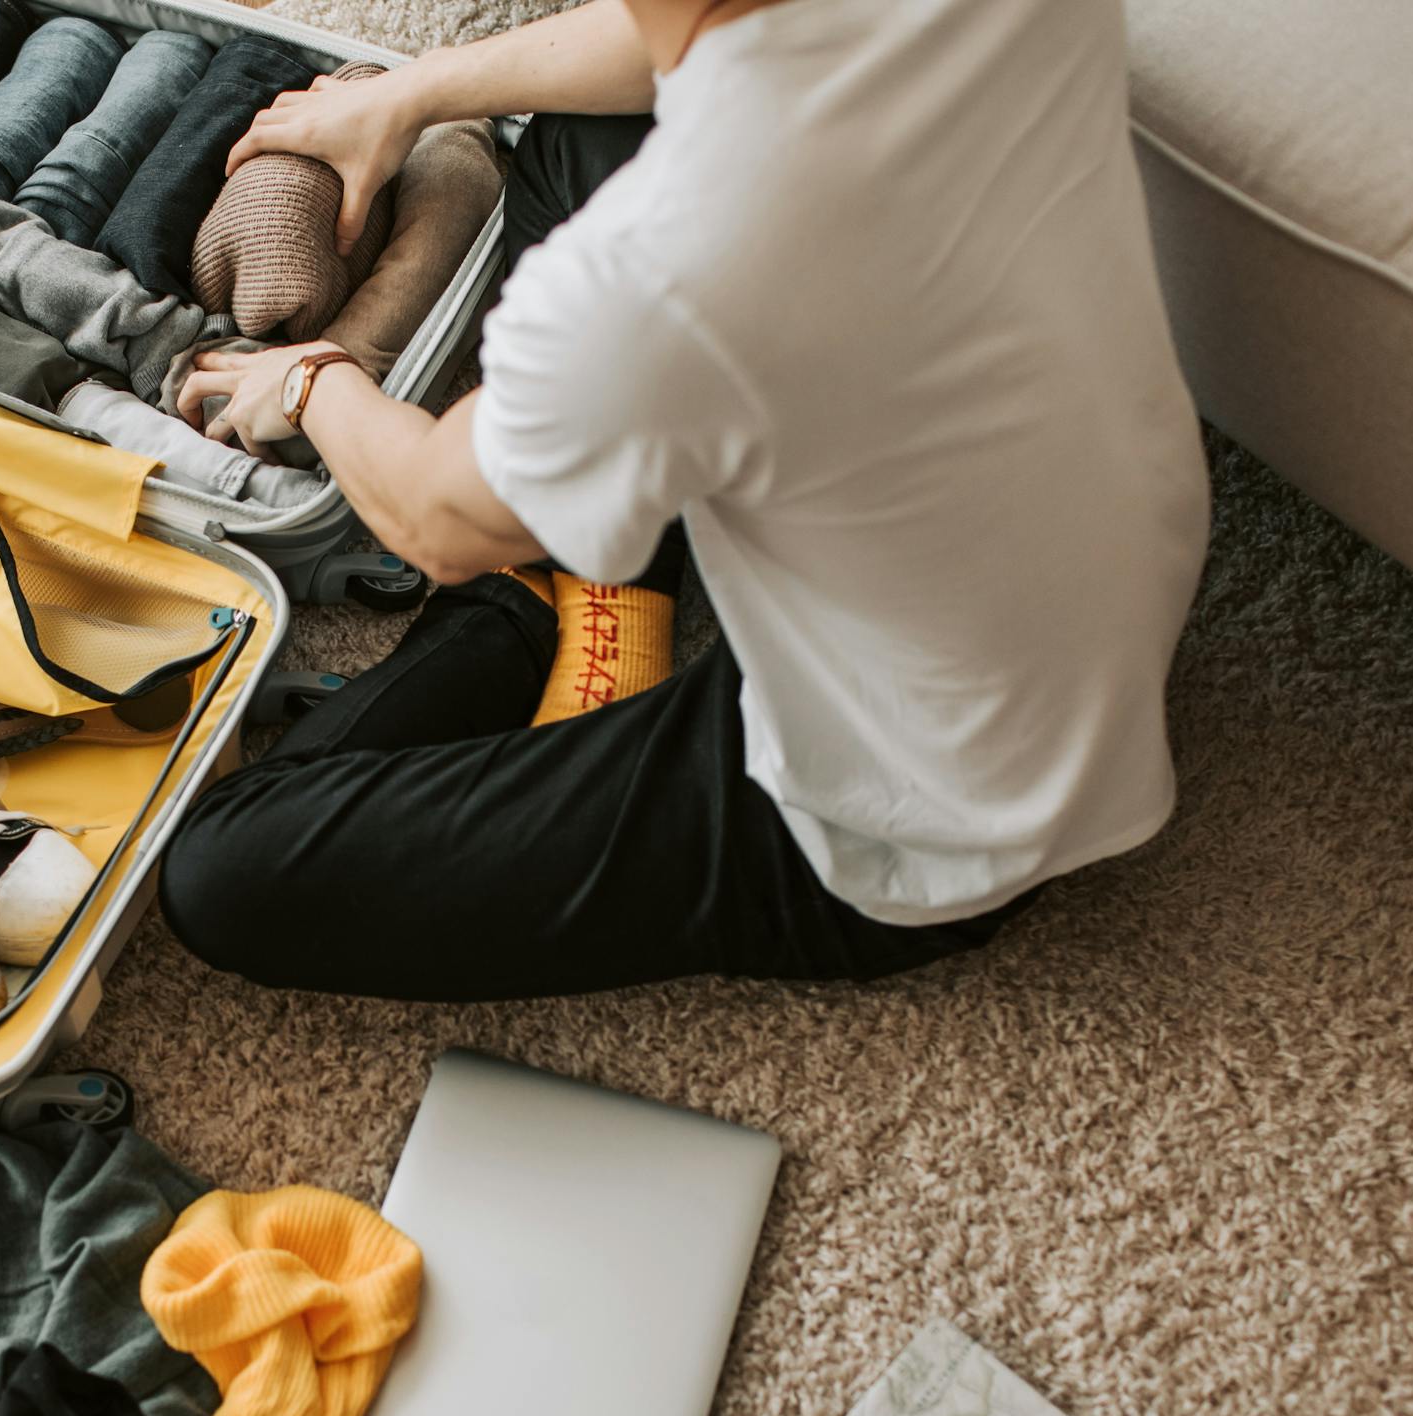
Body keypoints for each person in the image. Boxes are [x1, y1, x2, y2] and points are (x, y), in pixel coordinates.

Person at [159, 0, 1211, 1002]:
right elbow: (670, 36)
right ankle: (584, 545)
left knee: (224, 865)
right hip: (1084, 573)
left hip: (925, 816)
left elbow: (434, 524)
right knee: (581, 131)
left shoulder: (659, 269)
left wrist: (311, 379)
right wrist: (414, 91)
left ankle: (530, 610)